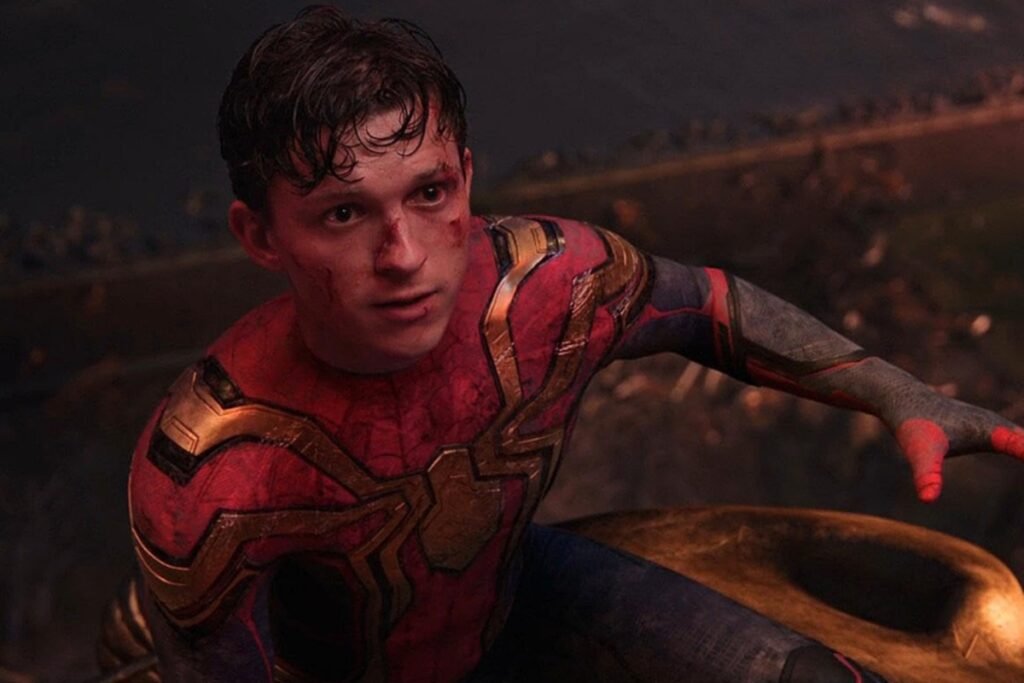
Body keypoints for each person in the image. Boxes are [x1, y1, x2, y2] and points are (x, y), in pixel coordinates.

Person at [117, 5, 1024, 682]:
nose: (404, 256)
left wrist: (895, 392)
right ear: (261, 235)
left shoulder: (551, 284)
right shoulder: (215, 471)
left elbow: (710, 304)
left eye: (429, 195)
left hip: (519, 595)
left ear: (466, 175)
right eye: (344, 214)